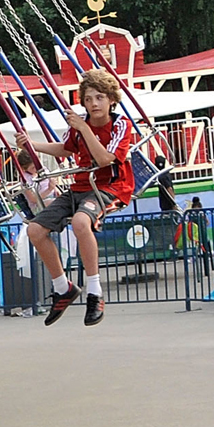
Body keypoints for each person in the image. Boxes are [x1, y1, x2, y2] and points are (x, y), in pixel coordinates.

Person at [16, 66, 135, 328]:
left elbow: (105, 159)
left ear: (111, 100)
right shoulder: (79, 126)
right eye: (89, 98)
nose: (93, 103)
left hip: (110, 187)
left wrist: (85, 128)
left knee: (81, 223)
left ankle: (95, 291)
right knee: (35, 230)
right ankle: (63, 287)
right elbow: (65, 149)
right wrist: (31, 145)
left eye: (100, 97)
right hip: (80, 187)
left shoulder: (120, 125)